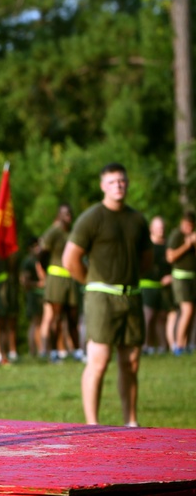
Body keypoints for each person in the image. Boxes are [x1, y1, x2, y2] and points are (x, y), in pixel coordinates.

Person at [62, 163, 150, 426]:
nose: (118, 186)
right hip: (101, 296)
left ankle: (130, 422)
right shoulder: (92, 218)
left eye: (122, 181)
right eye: (112, 182)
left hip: (132, 295)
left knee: (131, 362)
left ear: (127, 183)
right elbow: (70, 259)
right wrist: (91, 283)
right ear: (103, 186)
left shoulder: (137, 219)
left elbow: (146, 260)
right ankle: (92, 424)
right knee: (99, 361)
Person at [39, 204, 82, 363]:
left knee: (73, 316)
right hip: (56, 278)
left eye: (70, 213)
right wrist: (47, 271)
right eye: (65, 214)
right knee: (56, 317)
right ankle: (54, 352)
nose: (68, 216)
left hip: (71, 279)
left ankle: (77, 351)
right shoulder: (53, 232)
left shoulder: (74, 232)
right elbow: (42, 254)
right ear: (59, 216)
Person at [166, 211, 196, 355]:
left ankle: (186, 344)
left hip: (192, 277)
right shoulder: (176, 235)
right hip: (180, 278)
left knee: (192, 312)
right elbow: (170, 257)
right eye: (186, 225)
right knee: (187, 310)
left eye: (191, 226)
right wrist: (187, 245)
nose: (189, 229)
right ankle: (178, 346)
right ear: (181, 223)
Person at [141, 216, 172, 354]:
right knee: (148, 316)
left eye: (162, 227)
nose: (161, 230)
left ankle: (162, 347)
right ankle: (146, 346)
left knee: (162, 317)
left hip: (163, 287)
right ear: (151, 229)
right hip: (147, 285)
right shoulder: (146, 246)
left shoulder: (168, 246)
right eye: (158, 227)